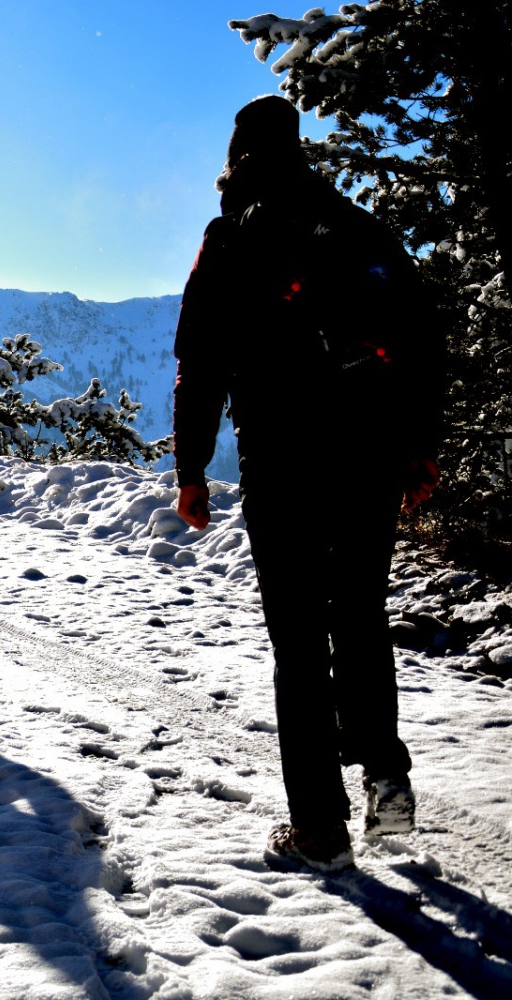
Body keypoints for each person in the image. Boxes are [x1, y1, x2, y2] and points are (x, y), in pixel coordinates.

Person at [172, 95, 443, 872]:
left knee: (298, 640)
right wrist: (418, 451)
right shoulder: (362, 230)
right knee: (359, 613)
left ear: (236, 159)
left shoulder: (229, 240)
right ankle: (386, 780)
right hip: (370, 455)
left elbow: (199, 365)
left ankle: (320, 829)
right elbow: (421, 343)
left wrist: (192, 469)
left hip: (284, 462)